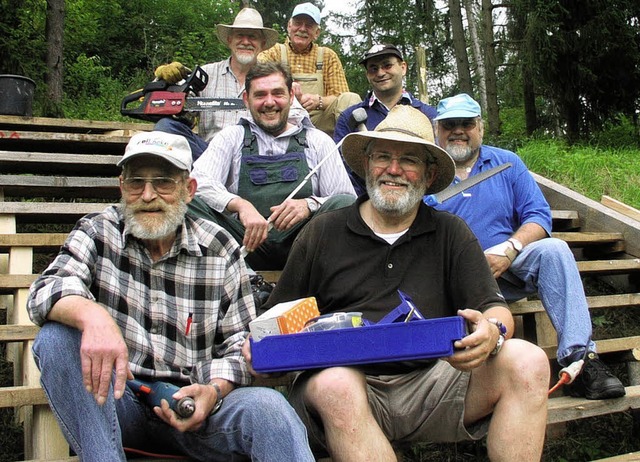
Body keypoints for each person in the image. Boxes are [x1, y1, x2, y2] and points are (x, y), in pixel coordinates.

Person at [244, 105, 550, 461]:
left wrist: (493, 331)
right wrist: (262, 350)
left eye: (409, 159)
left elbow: (494, 308)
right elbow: (275, 319)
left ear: (428, 172)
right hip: (339, 396)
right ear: (367, 164)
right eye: (383, 156)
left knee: (528, 360)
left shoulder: (450, 232)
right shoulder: (322, 232)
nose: (393, 169)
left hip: (432, 385)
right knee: (336, 384)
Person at [27, 131, 315, 461]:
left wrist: (213, 391)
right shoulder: (98, 231)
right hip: (118, 404)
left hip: (198, 409)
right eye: (137, 183)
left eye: (163, 182)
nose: (148, 195)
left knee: (269, 408)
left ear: (188, 190)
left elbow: (240, 344)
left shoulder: (219, 248)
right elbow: (46, 290)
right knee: (56, 339)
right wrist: (94, 317)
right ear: (122, 188)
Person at [432, 93, 625, 400]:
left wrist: (510, 247)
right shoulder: (426, 171)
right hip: (452, 279)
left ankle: (581, 362)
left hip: (506, 268)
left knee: (555, 249)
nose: (458, 130)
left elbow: (538, 215)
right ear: (436, 129)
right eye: (449, 124)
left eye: (466, 123)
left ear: (480, 127)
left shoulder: (508, 163)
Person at [189, 61, 356, 271]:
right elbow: (198, 183)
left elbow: (347, 201)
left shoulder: (318, 141)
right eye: (260, 95)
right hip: (242, 244)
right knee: (186, 200)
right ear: (246, 100)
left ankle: (317, 278)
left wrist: (309, 204)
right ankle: (240, 275)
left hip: (304, 248)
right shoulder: (231, 137)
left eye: (277, 93)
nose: (269, 102)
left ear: (291, 97)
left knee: (343, 204)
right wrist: (240, 205)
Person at [153, 8, 284, 160]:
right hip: (208, 156)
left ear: (262, 44)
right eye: (240, 35)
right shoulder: (205, 74)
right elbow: (163, 103)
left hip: (255, 159)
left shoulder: (273, 79)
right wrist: (163, 78)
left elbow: (296, 118)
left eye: (252, 37)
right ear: (230, 40)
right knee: (166, 127)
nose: (246, 42)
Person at [333, 43, 438, 195]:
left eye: (387, 66)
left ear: (403, 68)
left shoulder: (428, 115)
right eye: (373, 68)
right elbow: (341, 169)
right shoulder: (349, 118)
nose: (380, 73)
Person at [258, 2, 361, 137]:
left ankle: (347, 150)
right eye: (298, 23)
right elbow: (257, 75)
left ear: (317, 32)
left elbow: (341, 96)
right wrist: (286, 86)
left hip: (320, 122)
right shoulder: (273, 52)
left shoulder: (327, 56)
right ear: (289, 26)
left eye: (309, 25)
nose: (302, 29)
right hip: (283, 118)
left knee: (351, 98)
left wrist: (319, 101)